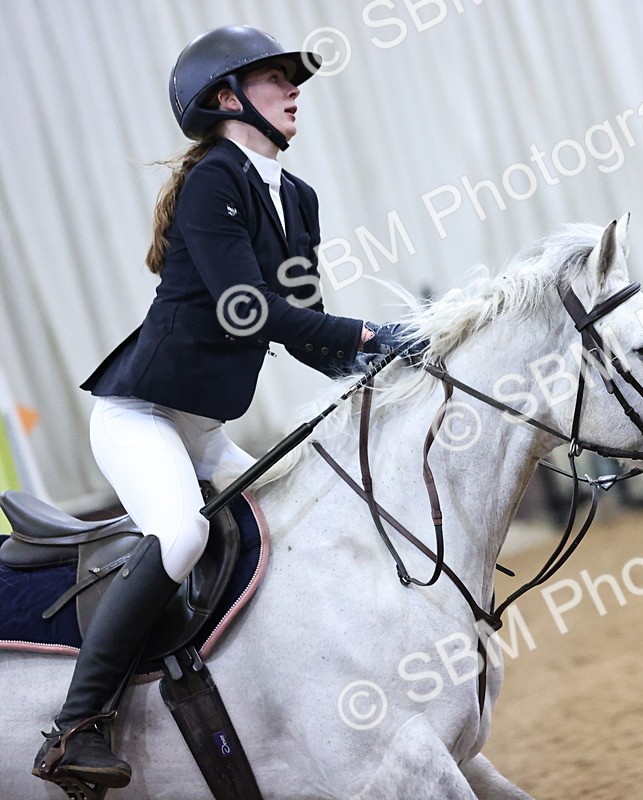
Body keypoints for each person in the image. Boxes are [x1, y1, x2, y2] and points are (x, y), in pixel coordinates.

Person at [32, 25, 421, 790]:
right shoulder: (215, 181)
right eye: (276, 77)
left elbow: (307, 328)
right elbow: (250, 308)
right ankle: (76, 726)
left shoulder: (297, 199)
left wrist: (394, 365)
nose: (294, 89)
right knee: (183, 532)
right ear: (225, 97)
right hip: (140, 416)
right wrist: (371, 334)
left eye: (292, 78)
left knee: (300, 525)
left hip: (202, 427)